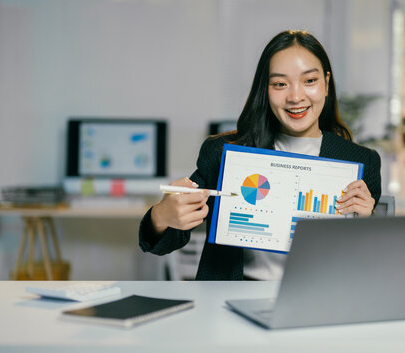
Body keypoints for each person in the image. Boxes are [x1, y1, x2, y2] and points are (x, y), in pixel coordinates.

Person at [139, 30, 381, 280]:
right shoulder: (223, 154)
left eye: (309, 81)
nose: (296, 96)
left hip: (319, 299)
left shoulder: (361, 162)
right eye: (280, 84)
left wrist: (366, 224)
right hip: (231, 300)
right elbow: (165, 242)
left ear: (327, 83)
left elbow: (371, 266)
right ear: (265, 89)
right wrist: (161, 215)